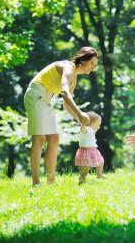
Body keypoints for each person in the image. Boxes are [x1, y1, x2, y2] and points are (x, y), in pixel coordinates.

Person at [24, 46, 99, 186]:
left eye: (95, 65)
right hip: (35, 95)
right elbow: (64, 93)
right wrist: (80, 113)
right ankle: (36, 182)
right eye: (92, 63)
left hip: (46, 99)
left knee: (54, 138)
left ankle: (51, 182)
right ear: (83, 60)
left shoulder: (74, 77)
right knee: (39, 137)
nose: (93, 68)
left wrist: (80, 120)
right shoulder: (68, 68)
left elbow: (66, 104)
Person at [75, 111, 106, 185]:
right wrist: (83, 124)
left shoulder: (91, 130)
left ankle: (99, 174)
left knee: (101, 160)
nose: (99, 127)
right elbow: (82, 130)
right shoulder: (86, 129)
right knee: (86, 167)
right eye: (98, 124)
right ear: (91, 123)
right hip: (86, 151)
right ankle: (82, 180)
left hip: (93, 150)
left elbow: (93, 131)